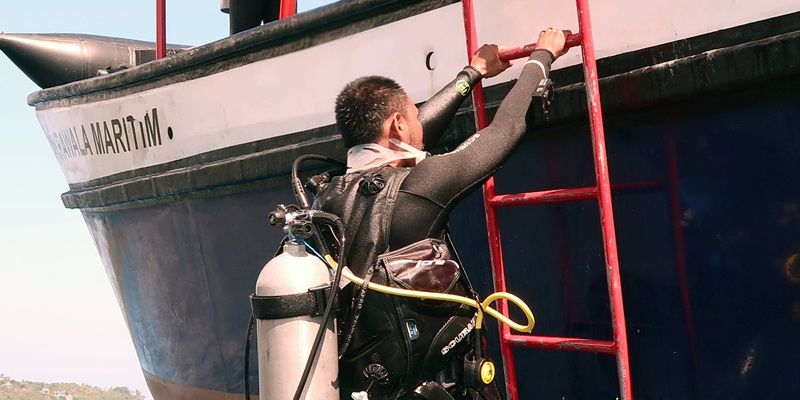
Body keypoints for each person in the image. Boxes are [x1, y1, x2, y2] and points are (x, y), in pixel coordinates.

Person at [314, 28, 570, 400]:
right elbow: (505, 130)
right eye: (413, 115)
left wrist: (473, 73)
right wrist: (541, 57)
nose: (421, 122)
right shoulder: (419, 187)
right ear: (398, 125)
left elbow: (411, 140)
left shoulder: (326, 195)